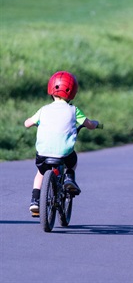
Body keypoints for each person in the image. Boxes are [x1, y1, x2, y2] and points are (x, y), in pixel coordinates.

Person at [24, 71, 100, 215]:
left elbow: (27, 123)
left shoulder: (44, 110)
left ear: (51, 90)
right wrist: (95, 124)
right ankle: (69, 178)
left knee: (40, 172)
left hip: (43, 153)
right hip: (64, 153)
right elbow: (89, 124)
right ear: (73, 93)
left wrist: (34, 123)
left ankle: (34, 201)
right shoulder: (74, 110)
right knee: (72, 161)